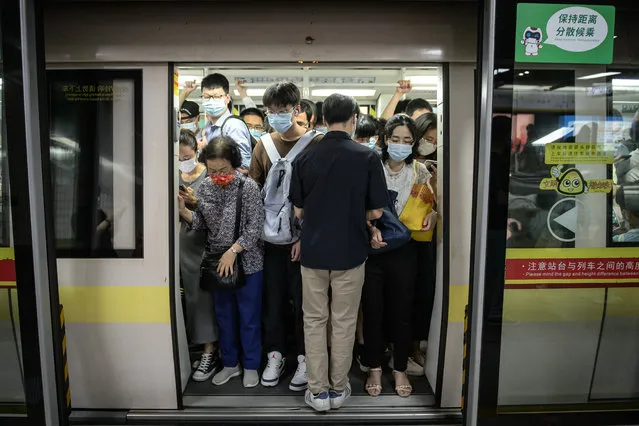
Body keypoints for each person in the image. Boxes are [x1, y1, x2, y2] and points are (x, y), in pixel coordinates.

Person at [289, 94, 387, 411]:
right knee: (344, 322)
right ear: (354, 118)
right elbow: (375, 211)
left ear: (320, 119)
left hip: (314, 253)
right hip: (350, 252)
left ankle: (317, 392)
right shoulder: (367, 158)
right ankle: (337, 388)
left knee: (314, 321)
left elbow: (299, 212)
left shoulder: (304, 158)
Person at [249, 82, 323, 391]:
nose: (277, 116)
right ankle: (275, 355)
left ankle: (306, 358)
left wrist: (304, 238)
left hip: (307, 242)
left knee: (308, 303)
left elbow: (321, 197)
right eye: (271, 112)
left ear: (297, 110)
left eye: (282, 111)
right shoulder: (263, 145)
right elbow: (253, 192)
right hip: (270, 240)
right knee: (274, 300)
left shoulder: (315, 143)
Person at [178, 136, 265, 388]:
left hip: (248, 263)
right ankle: (230, 364)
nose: (218, 175)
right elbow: (203, 223)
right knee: (224, 317)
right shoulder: (205, 187)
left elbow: (255, 225)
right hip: (217, 263)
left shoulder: (248, 187)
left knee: (248, 317)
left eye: (224, 170)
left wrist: (234, 250)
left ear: (235, 164)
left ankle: (251, 365)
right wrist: (185, 213)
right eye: (213, 170)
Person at [362, 115, 436, 398]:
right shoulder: (372, 166)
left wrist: (434, 212)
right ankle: (374, 368)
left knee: (402, 312)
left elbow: (434, 205)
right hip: (373, 248)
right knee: (372, 311)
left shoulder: (421, 171)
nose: (401, 145)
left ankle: (400, 367)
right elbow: (357, 204)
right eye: (396, 140)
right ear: (385, 140)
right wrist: (369, 228)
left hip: (406, 250)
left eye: (407, 141)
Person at [177, 130, 220, 381]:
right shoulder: (169, 175)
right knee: (185, 300)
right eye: (179, 157)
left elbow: (215, 216)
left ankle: (209, 349)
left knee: (201, 297)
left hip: (200, 245)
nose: (184, 161)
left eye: (187, 156)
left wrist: (193, 204)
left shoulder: (208, 178)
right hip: (176, 245)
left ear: (197, 153)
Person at [200, 73, 253, 173]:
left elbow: (244, 166)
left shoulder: (233, 126)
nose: (211, 101)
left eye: (216, 97)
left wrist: (206, 152)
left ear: (227, 98)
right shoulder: (208, 126)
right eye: (207, 97)